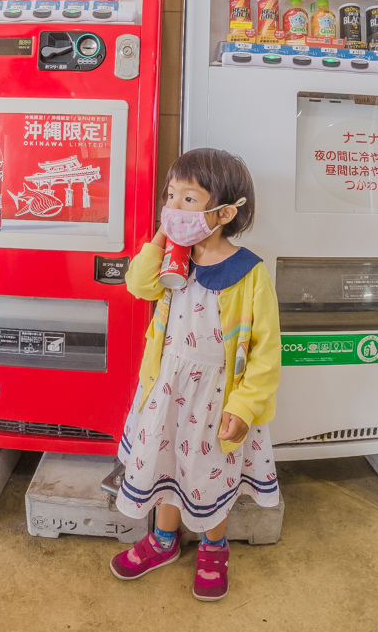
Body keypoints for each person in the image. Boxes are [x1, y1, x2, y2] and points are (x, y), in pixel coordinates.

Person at [110, 147, 281, 601]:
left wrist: (245, 407)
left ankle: (213, 545)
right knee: (168, 462)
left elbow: (266, 351)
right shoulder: (173, 260)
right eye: (171, 196)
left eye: (189, 198)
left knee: (209, 472)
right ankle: (164, 541)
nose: (173, 207)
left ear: (225, 211)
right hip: (169, 388)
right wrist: (163, 239)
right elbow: (137, 285)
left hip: (217, 396)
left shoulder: (250, 273)